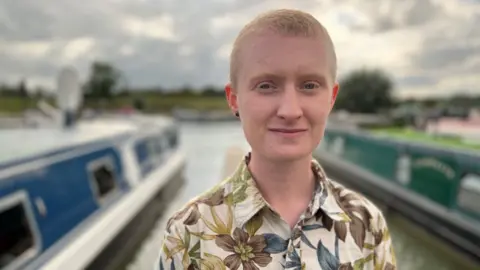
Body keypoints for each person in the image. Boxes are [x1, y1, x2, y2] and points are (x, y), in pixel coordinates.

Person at [157, 9, 396, 269]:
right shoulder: (188, 232)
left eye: (309, 86)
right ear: (234, 99)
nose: (290, 111)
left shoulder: (368, 224)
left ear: (331, 98)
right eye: (266, 86)